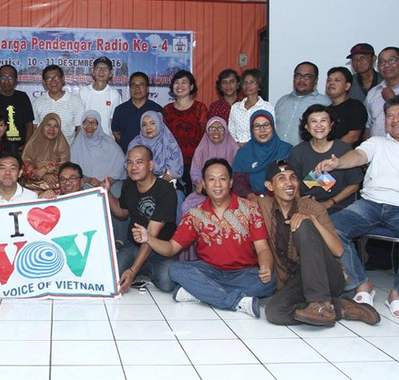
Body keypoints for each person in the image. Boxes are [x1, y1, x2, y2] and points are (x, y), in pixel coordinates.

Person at [318, 95, 399, 319]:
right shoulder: (377, 142)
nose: (394, 120)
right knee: (329, 227)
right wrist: (338, 163)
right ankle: (361, 284)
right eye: (389, 115)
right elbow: (358, 155)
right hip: (370, 204)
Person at [132, 158, 276, 317]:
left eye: (222, 179)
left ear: (230, 183)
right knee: (175, 270)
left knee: (269, 281)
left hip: (243, 273)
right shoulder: (195, 214)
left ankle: (200, 292)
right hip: (208, 272)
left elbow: (262, 248)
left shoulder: (250, 209)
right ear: (204, 184)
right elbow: (172, 248)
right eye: (211, 179)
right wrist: (149, 239)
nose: (217, 184)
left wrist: (266, 267)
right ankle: (235, 301)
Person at [260, 160, 380, 327]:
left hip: (327, 276)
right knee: (275, 312)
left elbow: (338, 251)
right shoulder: (264, 206)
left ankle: (320, 303)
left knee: (303, 224)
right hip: (297, 280)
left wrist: (312, 220)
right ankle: (340, 307)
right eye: (281, 178)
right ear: (269, 186)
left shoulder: (312, 207)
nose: (289, 183)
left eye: (293, 177)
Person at [103, 145, 177, 293]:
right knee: (112, 277)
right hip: (134, 246)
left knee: (167, 283)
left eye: (139, 162)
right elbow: (122, 212)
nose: (133, 167)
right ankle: (143, 270)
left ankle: (141, 270)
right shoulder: (129, 184)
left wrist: (132, 270)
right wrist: (107, 192)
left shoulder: (165, 190)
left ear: (151, 165)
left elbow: (151, 235)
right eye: (130, 162)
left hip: (160, 248)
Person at [287, 105, 362, 214]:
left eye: (323, 120)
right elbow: (293, 181)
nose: (319, 125)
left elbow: (354, 185)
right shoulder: (298, 151)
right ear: (306, 127)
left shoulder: (344, 149)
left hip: (338, 207)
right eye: (313, 121)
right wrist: (299, 201)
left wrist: (330, 202)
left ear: (331, 125)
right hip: (307, 206)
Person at [163, 70, 208, 195]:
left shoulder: (200, 108)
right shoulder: (167, 110)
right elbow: (164, 138)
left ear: (191, 86)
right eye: (176, 82)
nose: (180, 86)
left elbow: (206, 136)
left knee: (195, 198)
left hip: (196, 163)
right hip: (172, 163)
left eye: (184, 82)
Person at [232, 110, 292, 202]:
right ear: (252, 130)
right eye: (257, 126)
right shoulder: (244, 153)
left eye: (266, 125)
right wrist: (249, 195)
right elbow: (238, 181)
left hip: (281, 200)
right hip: (251, 201)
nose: (262, 130)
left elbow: (288, 177)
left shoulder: (284, 150)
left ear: (273, 127)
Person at [183, 117, 238, 215]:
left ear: (226, 130)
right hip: (204, 190)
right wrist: (199, 183)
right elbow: (195, 171)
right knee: (188, 205)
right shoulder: (200, 149)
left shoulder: (234, 149)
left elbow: (238, 174)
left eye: (220, 128)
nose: (216, 132)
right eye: (212, 128)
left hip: (229, 190)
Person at [274, 62, 331, 146]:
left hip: (305, 153)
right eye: (298, 76)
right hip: (277, 152)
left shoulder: (324, 103)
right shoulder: (282, 101)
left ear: (315, 80)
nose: (302, 80)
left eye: (307, 76)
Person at [0, 64, 34, 148]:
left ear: (16, 80)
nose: (7, 81)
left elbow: (29, 125)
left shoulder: (23, 97)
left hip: (19, 148)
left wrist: (26, 147)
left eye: (10, 77)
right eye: (3, 77)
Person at [70, 110, 126, 187]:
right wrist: (87, 180)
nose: (89, 126)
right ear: (82, 124)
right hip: (83, 185)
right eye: (86, 122)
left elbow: (121, 163)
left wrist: (110, 180)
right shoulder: (76, 145)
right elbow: (72, 171)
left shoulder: (109, 144)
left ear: (99, 125)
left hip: (110, 185)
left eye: (94, 123)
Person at [127, 111, 183, 186]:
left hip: (166, 182)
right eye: (144, 125)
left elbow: (174, 168)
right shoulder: (134, 144)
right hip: (139, 182)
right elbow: (129, 166)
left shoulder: (169, 142)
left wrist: (156, 186)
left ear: (159, 124)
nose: (148, 127)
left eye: (152, 123)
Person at [111, 72, 163, 152]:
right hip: (126, 155)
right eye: (133, 85)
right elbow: (116, 132)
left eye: (141, 85)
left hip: (152, 155)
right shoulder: (120, 110)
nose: (137, 88)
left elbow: (161, 133)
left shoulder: (157, 109)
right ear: (129, 88)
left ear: (147, 88)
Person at [32, 65, 84, 144]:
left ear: (63, 79)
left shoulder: (75, 101)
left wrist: (75, 147)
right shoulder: (38, 102)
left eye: (56, 77)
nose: (53, 81)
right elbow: (34, 128)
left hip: (68, 148)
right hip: (43, 148)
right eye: (49, 78)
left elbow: (80, 128)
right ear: (44, 82)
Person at [21, 113, 71, 194]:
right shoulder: (32, 144)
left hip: (55, 185)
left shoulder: (63, 145)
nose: (51, 129)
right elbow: (25, 165)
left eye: (56, 126)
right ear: (42, 126)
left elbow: (64, 166)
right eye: (48, 125)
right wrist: (43, 175)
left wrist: (47, 169)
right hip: (33, 185)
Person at [228, 69, 275, 145]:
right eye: (245, 82)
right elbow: (231, 131)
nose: (247, 85)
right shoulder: (235, 107)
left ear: (259, 86)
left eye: (252, 82)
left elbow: (270, 132)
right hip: (239, 149)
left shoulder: (267, 107)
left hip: (260, 148)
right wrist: (238, 144)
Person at [78, 56, 122, 136]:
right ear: (93, 71)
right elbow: (78, 119)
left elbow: (114, 121)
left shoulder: (114, 94)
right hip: (86, 138)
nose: (101, 71)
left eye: (105, 69)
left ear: (110, 73)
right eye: (98, 68)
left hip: (106, 138)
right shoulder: (83, 92)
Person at [325, 67, 368, 147]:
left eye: (337, 80)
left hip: (348, 153)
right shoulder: (326, 111)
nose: (331, 83)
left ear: (347, 86)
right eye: (329, 80)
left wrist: (331, 151)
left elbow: (353, 136)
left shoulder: (355, 106)